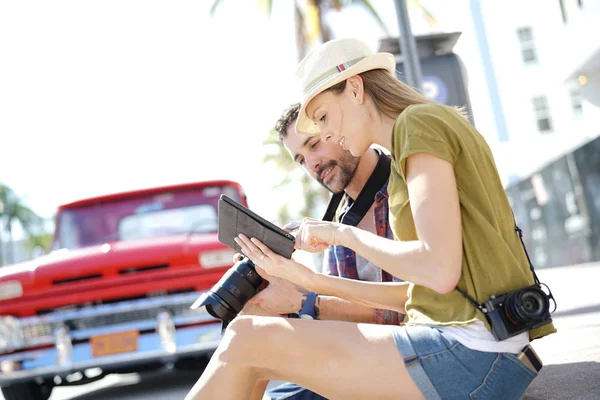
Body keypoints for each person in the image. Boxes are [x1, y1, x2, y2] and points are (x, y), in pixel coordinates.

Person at [186, 38, 556, 400]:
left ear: (356, 88)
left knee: (246, 339)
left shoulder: (418, 122)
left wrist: (341, 234)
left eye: (323, 117)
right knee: (251, 344)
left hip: (471, 356)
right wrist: (309, 281)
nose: (326, 133)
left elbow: (438, 270)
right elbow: (422, 294)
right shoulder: (406, 153)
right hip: (479, 352)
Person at [248, 103, 403, 400]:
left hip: (408, 360)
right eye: (301, 159)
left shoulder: (401, 190)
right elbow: (340, 311)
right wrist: (282, 287)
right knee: (250, 344)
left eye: (315, 145)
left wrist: (304, 299)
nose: (312, 165)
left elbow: (413, 308)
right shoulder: (337, 217)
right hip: (363, 358)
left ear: (338, 130)